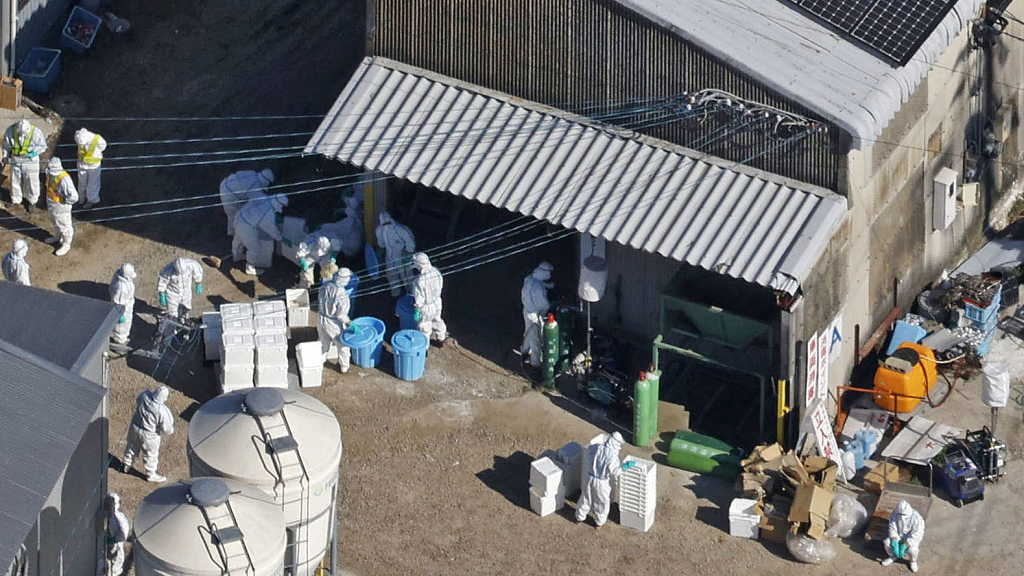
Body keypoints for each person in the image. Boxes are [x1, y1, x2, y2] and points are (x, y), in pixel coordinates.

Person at [122, 385, 175, 483]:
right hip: (149, 435)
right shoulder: (162, 411)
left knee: (132, 446)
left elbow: (138, 400)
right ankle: (151, 474)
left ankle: (127, 464)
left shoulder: (144, 395)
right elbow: (167, 429)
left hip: (135, 427)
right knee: (151, 454)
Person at [575, 431, 624, 528]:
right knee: (602, 502)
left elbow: (588, 451)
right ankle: (599, 523)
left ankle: (579, 518)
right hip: (601, 482)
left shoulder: (597, 447)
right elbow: (615, 472)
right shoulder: (612, 457)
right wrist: (624, 467)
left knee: (585, 498)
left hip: (589, 477)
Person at [232, 193, 288, 276]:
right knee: (255, 248)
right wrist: (279, 238)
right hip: (247, 226)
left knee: (238, 239)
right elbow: (269, 228)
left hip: (238, 217)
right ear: (278, 203)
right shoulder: (269, 212)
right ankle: (250, 268)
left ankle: (236, 256)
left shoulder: (262, 197)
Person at [1, 119, 47, 212]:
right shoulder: (11, 131)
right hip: (16, 159)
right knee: (15, 180)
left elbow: (43, 146)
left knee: (31, 181)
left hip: (30, 161)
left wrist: (33, 153)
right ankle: (15, 199)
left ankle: (32, 201)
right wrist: (5, 156)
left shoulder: (35, 133)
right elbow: (6, 145)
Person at [317, 267, 353, 373]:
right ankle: (344, 367)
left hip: (321, 317)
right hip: (333, 322)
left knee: (323, 341)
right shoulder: (343, 295)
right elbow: (341, 316)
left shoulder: (325, 285)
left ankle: (319, 362)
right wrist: (350, 323)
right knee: (343, 345)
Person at [219, 168, 273, 236]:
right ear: (266, 181)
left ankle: (231, 232)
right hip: (228, 195)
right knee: (236, 216)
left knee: (235, 213)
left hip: (225, 185)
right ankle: (237, 237)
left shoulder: (252, 173)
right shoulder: (255, 186)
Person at [521, 262, 554, 368]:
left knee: (527, 333)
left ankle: (525, 352)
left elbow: (538, 282)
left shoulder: (529, 279)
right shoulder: (539, 289)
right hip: (534, 315)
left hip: (526, 311)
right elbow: (543, 304)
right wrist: (551, 305)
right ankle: (535, 363)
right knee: (536, 339)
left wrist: (549, 286)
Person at [375, 211, 416, 296]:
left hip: (402, 258)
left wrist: (408, 255)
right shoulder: (380, 230)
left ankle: (411, 295)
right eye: (384, 224)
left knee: (407, 278)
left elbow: (410, 243)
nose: (386, 225)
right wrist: (380, 253)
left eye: (388, 223)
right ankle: (396, 295)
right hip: (389, 258)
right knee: (391, 277)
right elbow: (381, 244)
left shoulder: (401, 229)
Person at [44, 157, 78, 256]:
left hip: (61, 206)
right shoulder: (49, 173)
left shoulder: (65, 180)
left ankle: (66, 243)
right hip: (51, 203)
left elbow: (74, 197)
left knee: (64, 225)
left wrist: (64, 201)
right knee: (53, 220)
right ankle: (58, 236)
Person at [411, 252, 447, 345]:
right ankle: (441, 338)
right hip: (437, 301)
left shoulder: (419, 281)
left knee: (424, 327)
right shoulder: (436, 271)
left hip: (426, 307)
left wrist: (417, 310)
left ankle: (425, 349)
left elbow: (419, 298)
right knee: (437, 320)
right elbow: (441, 285)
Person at [882, 499, 925, 572]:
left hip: (910, 539)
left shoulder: (917, 519)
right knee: (887, 542)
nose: (901, 517)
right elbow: (892, 526)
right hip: (898, 536)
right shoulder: (894, 513)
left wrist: (906, 544)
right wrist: (894, 539)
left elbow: (916, 534)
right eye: (900, 515)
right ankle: (893, 556)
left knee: (913, 550)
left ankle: (912, 561)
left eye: (904, 515)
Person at [75, 128, 107, 209]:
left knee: (92, 183)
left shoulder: (98, 139)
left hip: (94, 165)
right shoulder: (78, 136)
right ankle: (81, 199)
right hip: (82, 163)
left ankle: (92, 200)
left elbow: (103, 147)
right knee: (81, 182)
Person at [109, 263, 137, 346]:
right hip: (123, 308)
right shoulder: (122, 288)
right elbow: (118, 303)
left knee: (126, 324)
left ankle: (122, 338)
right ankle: (119, 342)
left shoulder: (119, 276)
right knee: (122, 326)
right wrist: (120, 315)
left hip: (126, 303)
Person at [103, 493, 130, 576]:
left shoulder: (119, 518)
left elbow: (124, 533)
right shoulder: (105, 515)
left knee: (115, 567)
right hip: (106, 544)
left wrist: (114, 540)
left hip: (116, 545)